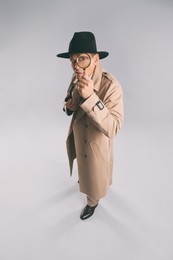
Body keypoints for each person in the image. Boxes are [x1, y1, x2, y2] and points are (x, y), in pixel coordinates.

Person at [57, 31, 124, 220]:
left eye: (82, 59)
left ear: (95, 59)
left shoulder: (111, 85)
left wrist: (90, 97)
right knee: (83, 167)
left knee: (95, 182)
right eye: (72, 60)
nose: (76, 65)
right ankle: (84, 180)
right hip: (79, 139)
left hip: (96, 146)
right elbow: (69, 97)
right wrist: (69, 106)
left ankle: (92, 203)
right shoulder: (76, 77)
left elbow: (114, 127)